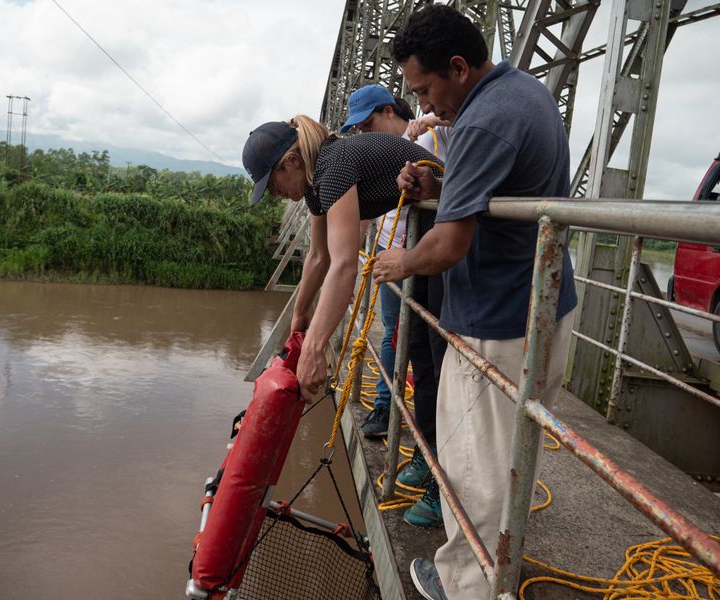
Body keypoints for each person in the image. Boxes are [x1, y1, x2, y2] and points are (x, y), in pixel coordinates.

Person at [372, 5, 578, 600]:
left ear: (459, 67)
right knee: (509, 459)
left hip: (497, 320)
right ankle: (493, 571)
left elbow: (448, 244)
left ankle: (467, 587)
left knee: (475, 469)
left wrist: (398, 263)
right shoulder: (521, 93)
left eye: (427, 89)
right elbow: (494, 196)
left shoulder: (484, 121)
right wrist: (440, 186)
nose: (427, 106)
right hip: (540, 305)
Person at [241, 115, 443, 413]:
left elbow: (344, 263)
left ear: (292, 162)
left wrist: (314, 348)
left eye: (271, 183)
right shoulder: (317, 181)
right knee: (419, 347)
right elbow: (319, 256)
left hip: (447, 236)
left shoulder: (334, 166)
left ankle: (433, 454)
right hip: (428, 239)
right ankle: (429, 451)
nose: (274, 193)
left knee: (433, 353)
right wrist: (300, 314)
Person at [340, 84, 451, 528]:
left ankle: (427, 455)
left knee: (428, 358)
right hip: (395, 257)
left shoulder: (431, 136)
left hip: (424, 265)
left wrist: (426, 127)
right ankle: (424, 451)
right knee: (413, 353)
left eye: (369, 125)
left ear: (389, 111)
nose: (365, 135)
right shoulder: (403, 144)